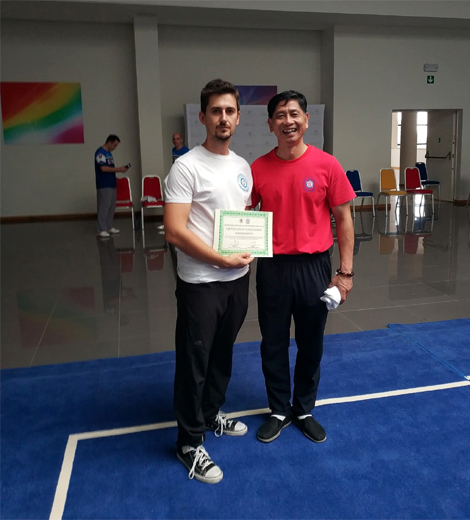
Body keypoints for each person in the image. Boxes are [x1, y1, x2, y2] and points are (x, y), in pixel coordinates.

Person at [251, 90, 355, 445]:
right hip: (273, 268)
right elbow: (243, 216)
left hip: (314, 267)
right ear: (270, 124)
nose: (288, 121)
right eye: (280, 115)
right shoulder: (257, 168)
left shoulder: (327, 165)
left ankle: (304, 409)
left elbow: (344, 219)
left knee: (311, 343)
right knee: (273, 342)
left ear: (306, 120)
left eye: (294, 114)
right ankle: (279, 410)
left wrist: (344, 273)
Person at [164, 79, 254, 484]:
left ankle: (211, 412)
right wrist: (220, 259)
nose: (223, 118)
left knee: (221, 354)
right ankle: (188, 442)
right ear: (203, 117)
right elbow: (175, 230)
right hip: (201, 282)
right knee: (194, 362)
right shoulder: (186, 166)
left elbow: (240, 218)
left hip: (238, 279)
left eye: (229, 111)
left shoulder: (242, 166)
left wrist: (250, 246)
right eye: (216, 111)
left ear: (238, 117)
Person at [94, 135, 129, 238]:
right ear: (109, 142)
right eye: (114, 145)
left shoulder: (109, 154)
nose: (115, 148)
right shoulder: (100, 153)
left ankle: (109, 226)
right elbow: (103, 168)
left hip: (112, 183)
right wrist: (119, 169)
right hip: (104, 184)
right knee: (104, 207)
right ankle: (101, 229)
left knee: (111, 206)